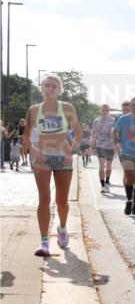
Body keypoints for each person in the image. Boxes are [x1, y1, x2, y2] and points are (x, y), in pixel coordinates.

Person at [24, 75, 82, 256]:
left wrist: (70, 153)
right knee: (44, 198)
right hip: (42, 158)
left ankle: (62, 228)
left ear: (59, 90)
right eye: (46, 85)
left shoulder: (67, 108)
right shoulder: (34, 110)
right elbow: (26, 137)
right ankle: (44, 243)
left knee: (62, 201)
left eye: (54, 86)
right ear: (41, 88)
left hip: (62, 157)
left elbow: (78, 135)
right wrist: (34, 151)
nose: (50, 89)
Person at [91, 104, 117, 193]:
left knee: (108, 166)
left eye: (106, 110)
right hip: (100, 145)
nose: (104, 111)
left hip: (110, 145)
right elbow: (94, 132)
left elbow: (116, 132)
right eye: (103, 110)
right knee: (101, 166)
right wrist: (92, 142)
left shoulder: (113, 120)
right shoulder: (96, 120)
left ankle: (107, 183)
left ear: (109, 111)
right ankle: (102, 186)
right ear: (100, 110)